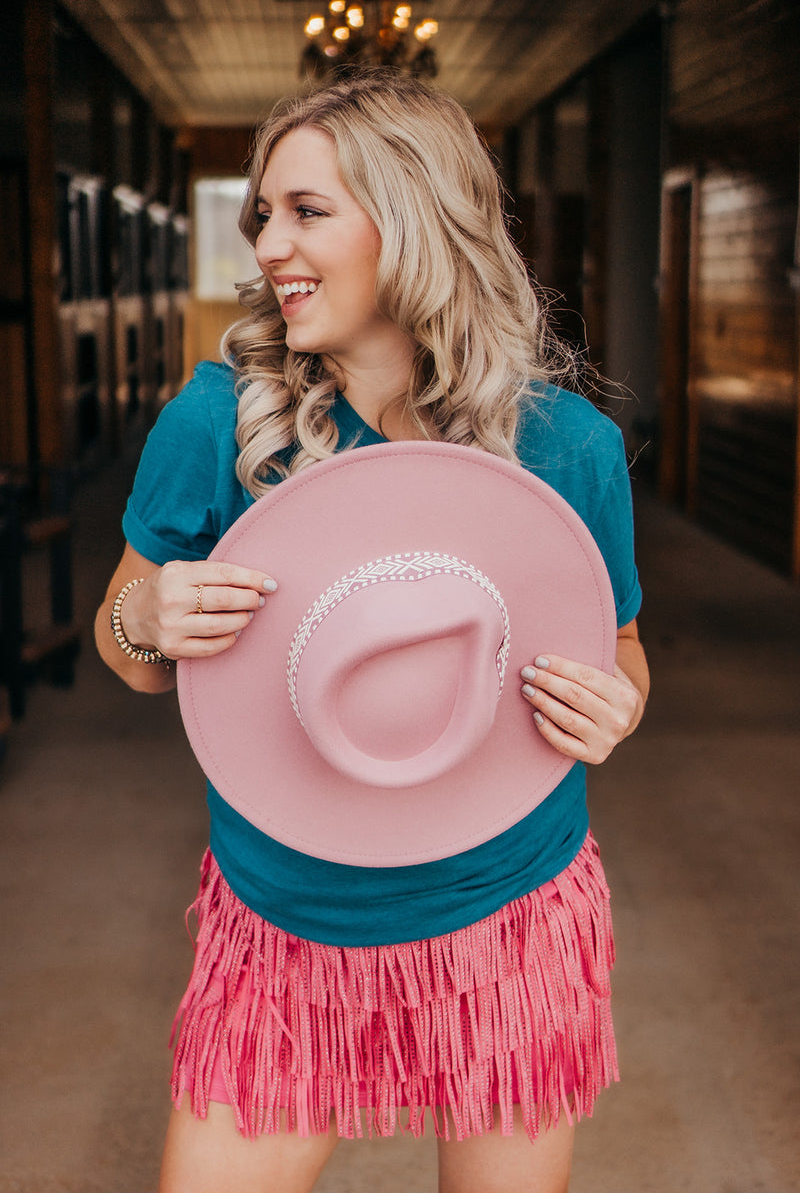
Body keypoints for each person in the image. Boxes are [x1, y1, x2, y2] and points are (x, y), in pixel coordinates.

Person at [95, 69, 649, 1193]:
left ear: (413, 219)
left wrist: (620, 702)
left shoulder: (567, 445)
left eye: (305, 211)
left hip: (505, 910)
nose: (266, 244)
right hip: (281, 920)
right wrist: (145, 615)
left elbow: (618, 644)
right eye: (262, 213)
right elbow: (127, 651)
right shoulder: (216, 418)